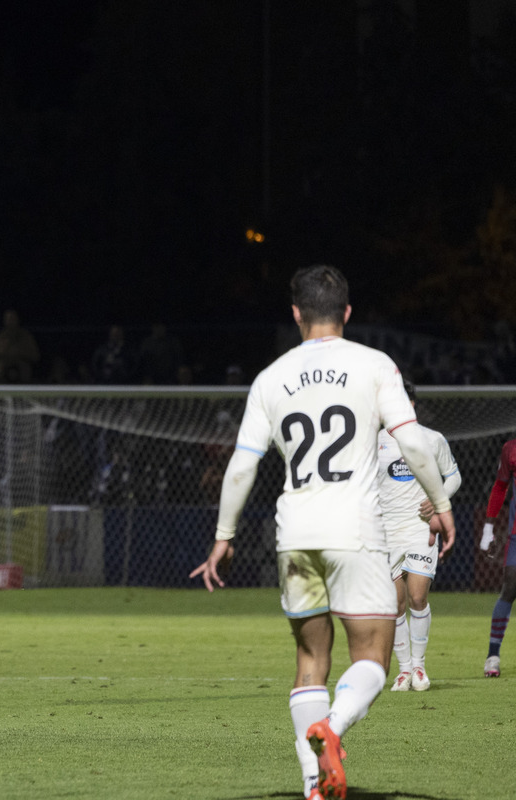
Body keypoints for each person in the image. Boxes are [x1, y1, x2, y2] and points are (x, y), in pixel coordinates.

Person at [189, 265, 456, 800]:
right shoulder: (374, 365)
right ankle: (332, 728)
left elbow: (242, 467)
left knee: (310, 661)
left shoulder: (271, 377)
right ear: (348, 313)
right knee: (374, 657)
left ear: (295, 314)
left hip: (295, 533)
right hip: (354, 529)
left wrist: (223, 535)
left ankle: (314, 784)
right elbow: (415, 444)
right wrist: (442, 503)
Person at [377, 378, 460, 692]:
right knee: (394, 603)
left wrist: (438, 501)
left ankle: (419, 667)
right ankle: (402, 670)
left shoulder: (431, 439)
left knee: (417, 596)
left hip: (419, 529)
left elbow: (453, 476)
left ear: (411, 405)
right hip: (385, 532)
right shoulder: (376, 443)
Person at [479, 437, 516, 677]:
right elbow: (500, 486)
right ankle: (493, 656)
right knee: (510, 587)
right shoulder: (510, 448)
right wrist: (488, 529)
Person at [0, 308, 40, 383]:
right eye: (8, 319)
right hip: (4, 365)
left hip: (22, 364)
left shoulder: (26, 336)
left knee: (25, 369)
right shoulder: (0, 337)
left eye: (12, 318)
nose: (10, 321)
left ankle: (24, 391)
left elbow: (36, 356)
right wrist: (2, 351)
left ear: (17, 320)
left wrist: (20, 352)